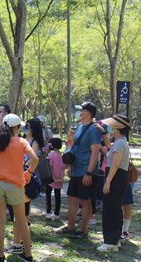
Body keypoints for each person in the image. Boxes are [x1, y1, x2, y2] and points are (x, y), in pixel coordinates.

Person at [0, 114, 39, 262]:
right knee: (22, 221)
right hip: (16, 185)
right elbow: (35, 159)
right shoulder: (22, 142)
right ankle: (28, 255)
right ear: (16, 128)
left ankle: (0, 255)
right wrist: (28, 172)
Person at [59, 101, 102, 239]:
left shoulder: (94, 129)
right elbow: (73, 146)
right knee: (72, 199)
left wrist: (89, 172)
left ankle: (84, 231)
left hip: (86, 171)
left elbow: (95, 152)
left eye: (81, 111)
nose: (79, 113)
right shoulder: (78, 126)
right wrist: (70, 166)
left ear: (88, 114)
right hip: (76, 170)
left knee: (85, 201)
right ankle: (70, 227)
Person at [97, 114, 131, 252]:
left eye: (112, 126)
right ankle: (114, 240)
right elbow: (110, 146)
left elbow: (115, 165)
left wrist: (108, 182)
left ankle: (110, 242)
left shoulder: (121, 143)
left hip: (116, 177)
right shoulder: (120, 142)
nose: (110, 127)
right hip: (117, 177)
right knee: (114, 208)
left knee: (111, 209)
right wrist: (103, 133)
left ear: (119, 127)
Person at [45, 138, 64, 220]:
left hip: (51, 178)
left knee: (48, 194)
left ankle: (48, 211)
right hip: (59, 178)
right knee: (57, 196)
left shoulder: (50, 155)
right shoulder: (62, 155)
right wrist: (61, 178)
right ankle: (57, 213)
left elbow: (50, 168)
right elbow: (63, 168)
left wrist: (53, 178)